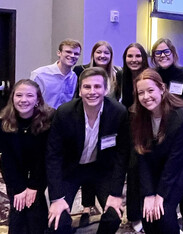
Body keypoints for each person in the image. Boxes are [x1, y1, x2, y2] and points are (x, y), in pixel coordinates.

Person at [45, 67, 130, 233]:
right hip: (71, 170)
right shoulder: (65, 113)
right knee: (58, 220)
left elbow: (122, 154)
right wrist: (56, 198)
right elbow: (53, 156)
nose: (92, 92)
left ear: (106, 89)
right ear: (80, 89)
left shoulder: (118, 112)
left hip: (102, 170)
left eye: (97, 87)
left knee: (114, 216)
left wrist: (115, 193)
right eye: (87, 87)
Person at [131, 68, 183, 234]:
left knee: (163, 213)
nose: (146, 97)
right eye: (141, 93)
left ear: (162, 88)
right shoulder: (135, 115)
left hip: (180, 165)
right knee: (148, 215)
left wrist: (160, 195)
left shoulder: (182, 115)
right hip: (154, 162)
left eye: (151, 90)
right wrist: (148, 194)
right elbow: (142, 156)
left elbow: (175, 160)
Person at [0, 79, 55, 233]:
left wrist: (33, 186)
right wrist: (20, 188)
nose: (23, 100)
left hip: (39, 170)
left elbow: (43, 157)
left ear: (37, 99)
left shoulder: (49, 119)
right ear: (12, 98)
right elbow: (8, 158)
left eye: (29, 96)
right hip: (14, 170)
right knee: (18, 207)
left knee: (35, 208)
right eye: (18, 95)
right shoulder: (0, 122)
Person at [72, 40, 122, 226]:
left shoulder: (117, 73)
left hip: (107, 125)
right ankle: (86, 207)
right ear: (93, 54)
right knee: (84, 156)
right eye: (98, 52)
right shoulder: (81, 71)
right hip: (84, 119)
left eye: (106, 53)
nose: (102, 56)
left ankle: (92, 205)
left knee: (97, 161)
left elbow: (119, 99)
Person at [151, 38, 183, 234]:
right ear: (154, 57)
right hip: (159, 136)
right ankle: (167, 220)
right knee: (165, 180)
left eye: (166, 52)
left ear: (173, 53)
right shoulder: (153, 76)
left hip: (182, 134)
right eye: (158, 53)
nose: (163, 56)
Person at [115, 42, 150, 232]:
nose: (134, 60)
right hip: (127, 130)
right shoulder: (122, 77)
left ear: (144, 58)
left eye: (138, 56)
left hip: (147, 129)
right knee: (132, 171)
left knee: (145, 171)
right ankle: (135, 215)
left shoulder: (150, 76)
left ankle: (148, 211)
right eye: (130, 56)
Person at [30, 39, 81, 109]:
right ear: (59, 53)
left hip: (63, 118)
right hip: (42, 117)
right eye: (68, 52)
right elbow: (32, 100)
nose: (72, 55)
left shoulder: (74, 77)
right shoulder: (39, 74)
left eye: (76, 54)